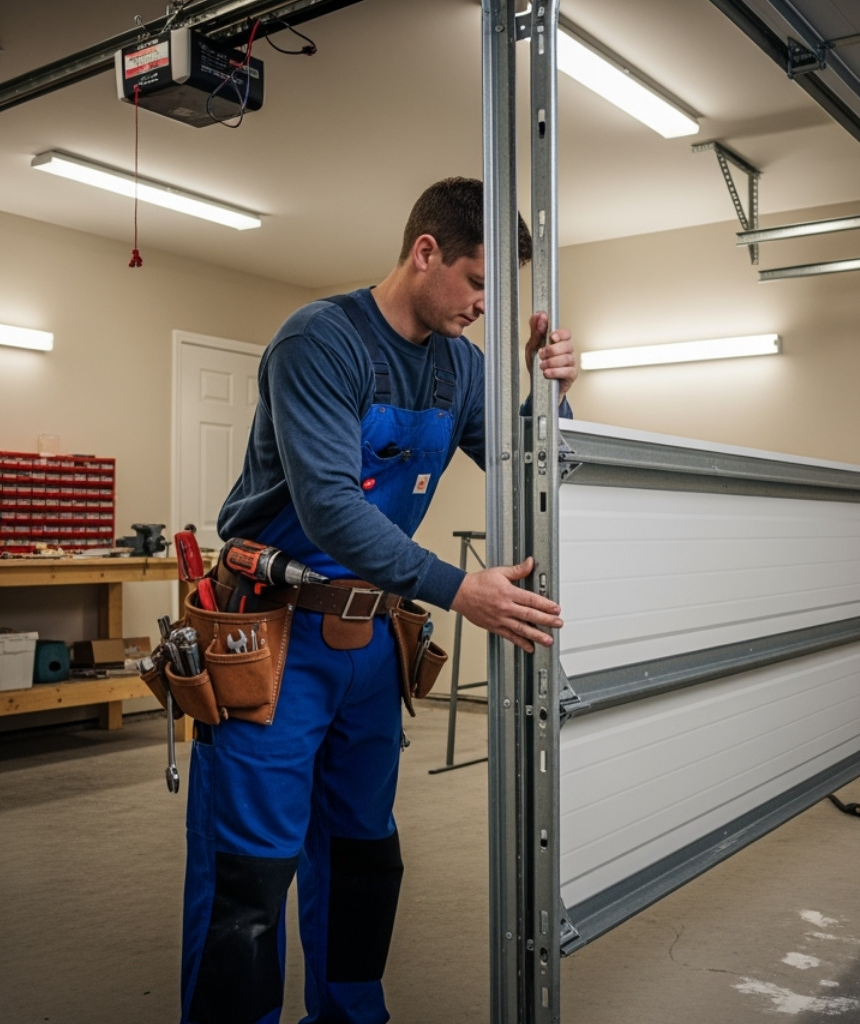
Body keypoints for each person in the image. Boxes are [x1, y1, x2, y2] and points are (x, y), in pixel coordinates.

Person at [181, 177, 577, 1024]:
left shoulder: (460, 368)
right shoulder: (320, 341)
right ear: (425, 252)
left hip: (369, 647)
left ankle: (352, 1015)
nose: (483, 306)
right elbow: (330, 506)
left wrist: (547, 392)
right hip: (273, 639)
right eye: (476, 283)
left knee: (364, 856)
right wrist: (459, 588)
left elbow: (525, 472)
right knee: (250, 875)